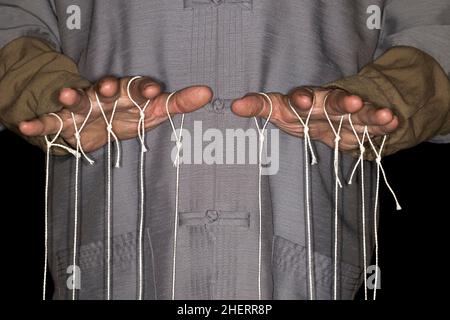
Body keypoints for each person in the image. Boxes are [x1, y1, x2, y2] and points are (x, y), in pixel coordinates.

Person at [0, 0, 449, 300]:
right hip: (110, 255)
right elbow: (13, 20)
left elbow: (435, 30)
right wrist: (49, 94)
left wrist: (386, 98)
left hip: (307, 250)